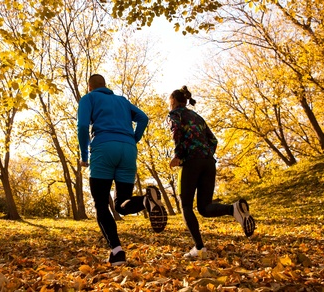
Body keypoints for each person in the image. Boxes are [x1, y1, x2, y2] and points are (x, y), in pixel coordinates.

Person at [77, 74, 167, 266]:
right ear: (105, 85)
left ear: (89, 87)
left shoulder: (89, 98)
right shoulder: (122, 101)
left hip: (103, 148)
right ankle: (146, 200)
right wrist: (133, 139)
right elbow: (143, 118)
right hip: (128, 150)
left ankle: (117, 252)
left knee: (101, 204)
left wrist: (84, 156)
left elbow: (83, 126)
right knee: (121, 204)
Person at [167, 86, 256, 259]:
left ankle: (199, 248)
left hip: (190, 161)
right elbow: (213, 140)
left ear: (174, 101)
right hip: (208, 162)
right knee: (204, 208)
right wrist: (206, 154)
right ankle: (233, 209)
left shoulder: (174, 114)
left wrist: (178, 155)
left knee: (185, 205)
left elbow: (176, 132)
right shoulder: (198, 117)